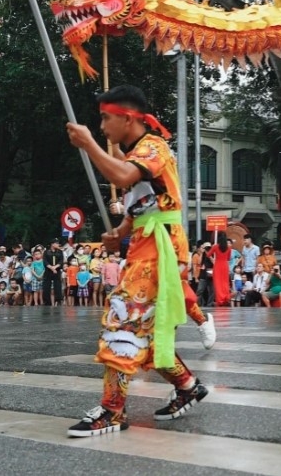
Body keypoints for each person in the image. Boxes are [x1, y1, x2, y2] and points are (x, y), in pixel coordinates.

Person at [64, 84, 207, 437]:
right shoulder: (136, 154)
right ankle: (187, 385)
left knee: (123, 322)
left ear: (127, 119)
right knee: (148, 328)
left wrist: (88, 145)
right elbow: (145, 205)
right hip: (147, 246)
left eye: (105, 118)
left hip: (160, 251)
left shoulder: (152, 148)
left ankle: (112, 410)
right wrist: (119, 231)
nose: (101, 127)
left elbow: (125, 176)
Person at [43, 239, 65, 306]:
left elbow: (61, 261)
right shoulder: (46, 252)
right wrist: (52, 268)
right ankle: (47, 301)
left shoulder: (60, 252)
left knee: (58, 285)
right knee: (47, 286)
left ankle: (58, 300)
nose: (58, 245)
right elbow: (45, 261)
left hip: (57, 270)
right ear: (52, 244)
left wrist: (55, 267)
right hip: (48, 270)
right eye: (56, 243)